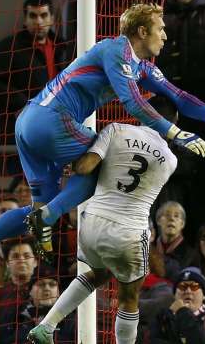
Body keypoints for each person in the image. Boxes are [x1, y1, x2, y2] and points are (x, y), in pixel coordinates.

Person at [0, 3, 205, 284]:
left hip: (29, 124)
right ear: (142, 31)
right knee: (104, 167)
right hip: (52, 120)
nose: (166, 35)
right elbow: (132, 102)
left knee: (40, 209)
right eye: (161, 28)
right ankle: (50, 215)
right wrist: (176, 133)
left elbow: (178, 95)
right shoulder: (116, 49)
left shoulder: (142, 68)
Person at [27, 96, 180, 344]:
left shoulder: (115, 129)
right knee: (129, 297)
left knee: (96, 275)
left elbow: (85, 167)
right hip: (130, 232)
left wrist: (70, 160)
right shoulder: (170, 160)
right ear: (172, 122)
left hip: (92, 224)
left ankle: (47, 325)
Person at [0, 0, 71, 174]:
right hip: (20, 132)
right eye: (33, 16)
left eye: (43, 15)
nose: (39, 21)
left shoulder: (64, 46)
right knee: (22, 182)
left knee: (56, 181)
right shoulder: (10, 47)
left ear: (52, 18)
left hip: (58, 128)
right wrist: (21, 103)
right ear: (25, 19)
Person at [150, 267, 205, 343]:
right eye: (182, 287)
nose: (188, 291)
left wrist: (183, 312)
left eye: (194, 286)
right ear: (174, 295)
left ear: (204, 295)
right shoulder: (162, 319)